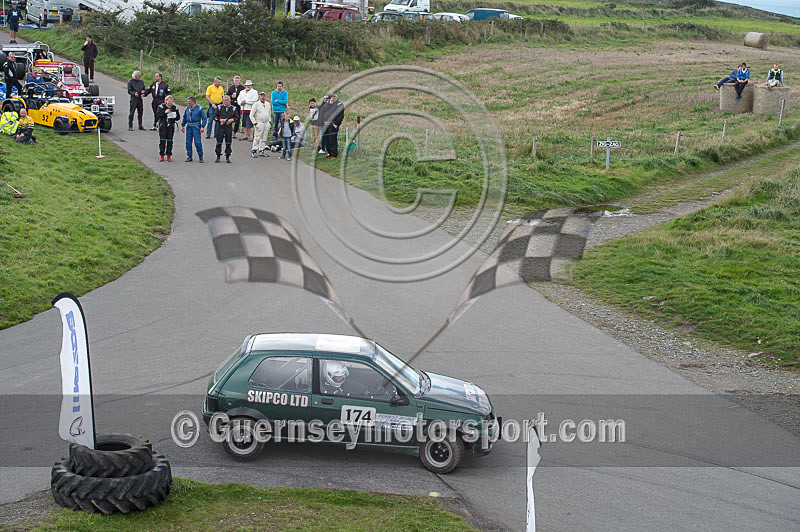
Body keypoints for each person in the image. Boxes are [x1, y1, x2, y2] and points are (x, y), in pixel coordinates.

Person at [181, 96, 206, 163]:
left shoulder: (200, 108)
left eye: (188, 101)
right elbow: (185, 117)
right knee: (188, 142)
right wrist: (183, 125)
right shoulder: (187, 108)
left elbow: (204, 118)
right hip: (189, 126)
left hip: (196, 126)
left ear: (192, 102)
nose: (187, 102)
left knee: (197, 142)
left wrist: (202, 126)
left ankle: (200, 156)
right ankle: (189, 156)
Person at [156, 94, 180, 162]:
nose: (170, 102)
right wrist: (164, 112)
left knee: (170, 141)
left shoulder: (175, 107)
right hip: (163, 125)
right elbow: (158, 115)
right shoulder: (161, 106)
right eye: (169, 101)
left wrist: (175, 116)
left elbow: (178, 118)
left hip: (171, 126)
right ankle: (162, 155)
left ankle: (169, 155)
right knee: (162, 141)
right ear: (166, 101)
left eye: (171, 101)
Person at [214, 94, 237, 163]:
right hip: (220, 127)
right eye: (225, 100)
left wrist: (231, 120)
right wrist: (219, 120)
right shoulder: (219, 107)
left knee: (228, 142)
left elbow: (237, 118)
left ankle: (227, 157)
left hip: (228, 127)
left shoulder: (233, 108)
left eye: (228, 100)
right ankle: (218, 157)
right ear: (223, 101)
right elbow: (214, 117)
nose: (226, 102)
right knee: (219, 142)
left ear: (230, 101)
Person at [250, 90, 271, 158]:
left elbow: (269, 113)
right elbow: (251, 115)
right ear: (259, 96)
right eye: (261, 96)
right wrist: (255, 123)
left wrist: (269, 122)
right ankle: (254, 150)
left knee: (264, 137)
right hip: (259, 122)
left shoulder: (268, 104)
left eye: (264, 96)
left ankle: (262, 150)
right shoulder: (256, 104)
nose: (262, 97)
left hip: (266, 123)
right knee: (257, 137)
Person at [325, 92, 345, 159]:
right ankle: (329, 153)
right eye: (332, 96)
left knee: (332, 139)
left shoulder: (339, 104)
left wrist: (336, 124)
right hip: (326, 123)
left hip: (333, 124)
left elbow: (341, 116)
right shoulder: (328, 103)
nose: (333, 97)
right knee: (326, 139)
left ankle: (334, 154)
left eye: (334, 96)